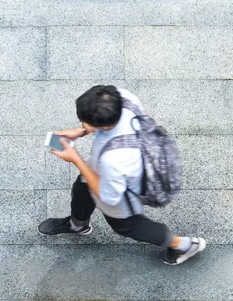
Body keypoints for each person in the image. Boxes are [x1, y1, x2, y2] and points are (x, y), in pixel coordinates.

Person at [38, 85, 205, 265]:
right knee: (81, 190)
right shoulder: (123, 98)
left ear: (105, 125)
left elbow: (108, 196)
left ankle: (184, 245)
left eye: (84, 121)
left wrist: (76, 159)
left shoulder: (116, 160)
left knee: (128, 226)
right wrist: (83, 130)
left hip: (120, 193)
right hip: (105, 170)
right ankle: (77, 225)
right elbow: (142, 115)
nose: (82, 123)